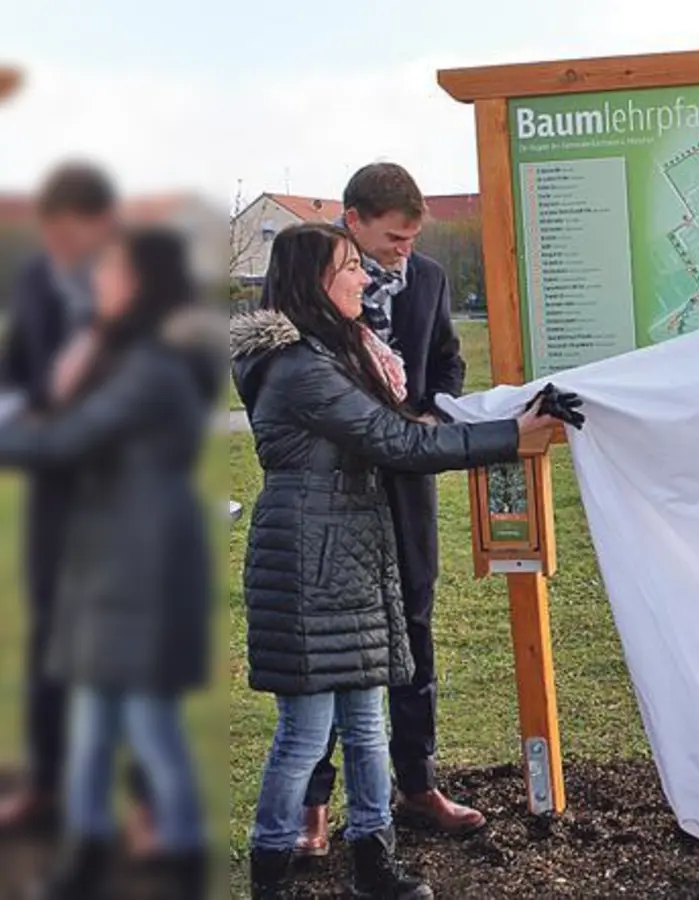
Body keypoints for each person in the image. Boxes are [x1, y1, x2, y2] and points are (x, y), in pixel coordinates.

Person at [234, 222, 562, 899]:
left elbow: (407, 428)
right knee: (305, 733)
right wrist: (512, 439)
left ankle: (375, 865)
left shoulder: (338, 355)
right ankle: (268, 875)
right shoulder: (301, 369)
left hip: (348, 556)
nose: (364, 278)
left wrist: (505, 420)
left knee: (365, 723)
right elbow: (397, 443)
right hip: (311, 564)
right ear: (313, 282)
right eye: (351, 267)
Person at [0, 227, 222, 899]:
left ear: (142, 283)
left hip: (142, 570)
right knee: (93, 723)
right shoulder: (117, 354)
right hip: (108, 565)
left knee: (148, 724)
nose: (99, 280)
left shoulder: (150, 367)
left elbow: (65, 440)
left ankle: (183, 858)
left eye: (113, 271)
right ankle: (84, 858)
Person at [277, 163, 484, 853]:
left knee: (414, 623)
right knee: (332, 640)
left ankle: (416, 782)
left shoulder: (427, 278)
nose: (403, 251)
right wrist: (380, 430)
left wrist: (428, 411)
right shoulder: (315, 283)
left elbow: (446, 359)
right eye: (393, 238)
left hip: (409, 481)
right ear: (352, 219)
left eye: (412, 238)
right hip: (339, 487)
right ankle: (314, 802)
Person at [0, 163, 157, 849]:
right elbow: (15, 378)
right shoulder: (36, 285)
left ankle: (148, 800)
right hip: (56, 498)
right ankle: (44, 783)